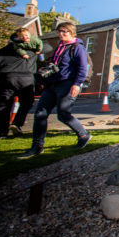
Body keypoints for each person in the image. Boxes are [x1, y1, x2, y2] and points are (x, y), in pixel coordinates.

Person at [17, 22, 92, 158]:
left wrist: (77, 84)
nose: (61, 34)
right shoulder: (60, 47)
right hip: (52, 84)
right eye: (59, 31)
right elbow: (54, 64)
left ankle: (83, 134)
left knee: (63, 113)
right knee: (40, 114)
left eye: (65, 32)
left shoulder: (78, 48)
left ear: (72, 33)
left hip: (67, 83)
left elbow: (83, 67)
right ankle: (37, 146)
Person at [0, 40, 38, 138]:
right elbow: (47, 47)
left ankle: (2, 131)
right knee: (27, 102)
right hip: (26, 78)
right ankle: (17, 123)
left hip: (7, 78)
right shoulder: (29, 51)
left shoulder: (3, 51)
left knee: (4, 105)